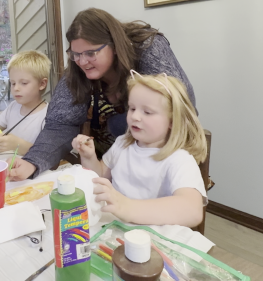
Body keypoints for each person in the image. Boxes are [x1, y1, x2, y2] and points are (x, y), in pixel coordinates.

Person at [9, 8, 195, 180]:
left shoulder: (148, 48)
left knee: (118, 123)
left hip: (159, 162)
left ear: (114, 45)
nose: (82, 61)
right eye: (76, 54)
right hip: (106, 167)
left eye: (91, 53)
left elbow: (180, 109)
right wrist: (31, 162)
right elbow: (60, 124)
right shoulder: (77, 68)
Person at [72, 72, 207, 227]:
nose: (135, 116)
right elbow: (101, 175)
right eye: (132, 108)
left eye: (147, 112)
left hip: (153, 239)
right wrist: (89, 157)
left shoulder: (179, 159)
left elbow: (191, 211)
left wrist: (126, 206)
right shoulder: (123, 144)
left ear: (172, 120)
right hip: (115, 228)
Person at [0, 50, 50, 155]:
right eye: (12, 83)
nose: (16, 88)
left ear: (42, 84)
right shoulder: (13, 107)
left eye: (24, 83)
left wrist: (16, 145)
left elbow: (47, 152)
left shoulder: (48, 115)